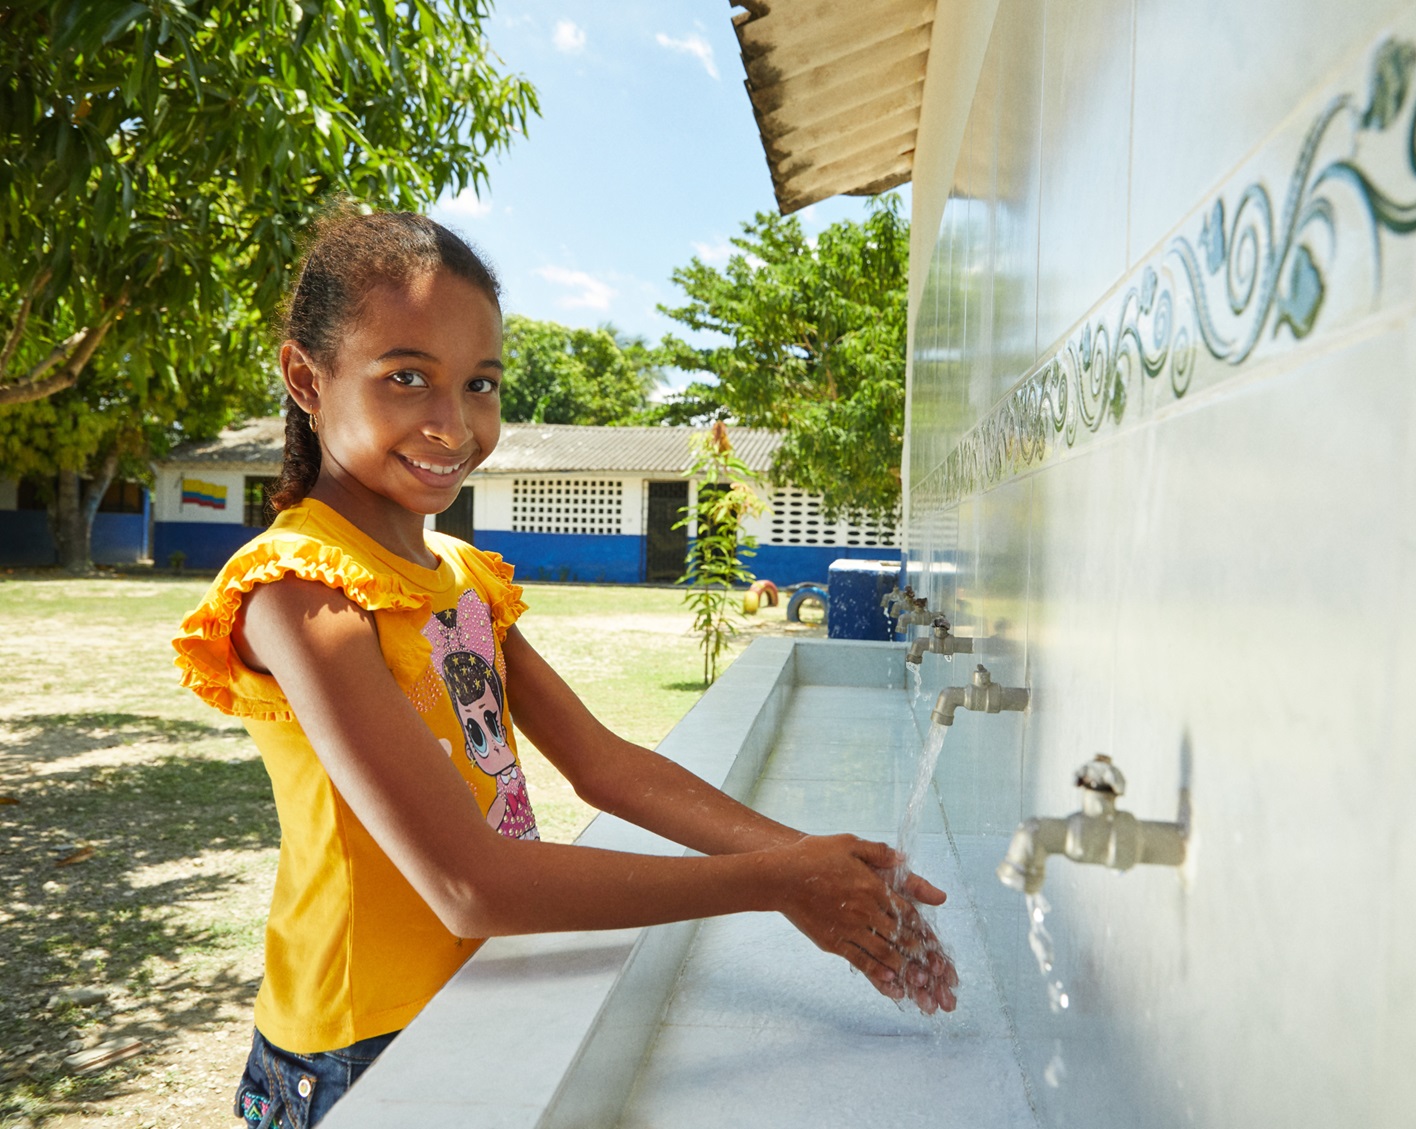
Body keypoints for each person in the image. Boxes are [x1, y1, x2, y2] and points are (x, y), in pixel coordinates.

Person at [172, 208, 957, 1129]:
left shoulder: (459, 577)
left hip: (481, 994)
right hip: (358, 1047)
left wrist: (819, 862)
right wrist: (778, 883)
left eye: (481, 383)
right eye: (406, 378)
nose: (451, 422)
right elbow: (468, 885)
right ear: (308, 378)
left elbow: (604, 763)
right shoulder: (303, 595)